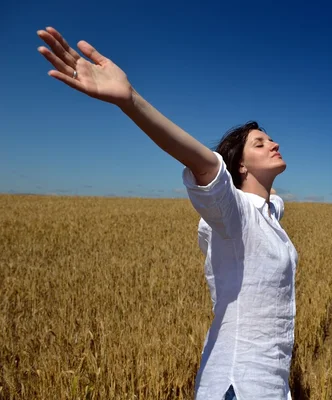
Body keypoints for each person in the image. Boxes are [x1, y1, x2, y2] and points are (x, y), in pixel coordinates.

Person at [37, 27, 298, 400]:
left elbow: (271, 208)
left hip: (273, 387)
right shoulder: (233, 212)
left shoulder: (271, 213)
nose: (274, 143)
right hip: (238, 386)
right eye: (260, 143)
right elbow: (203, 163)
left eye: (270, 139)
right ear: (239, 167)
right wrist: (130, 101)